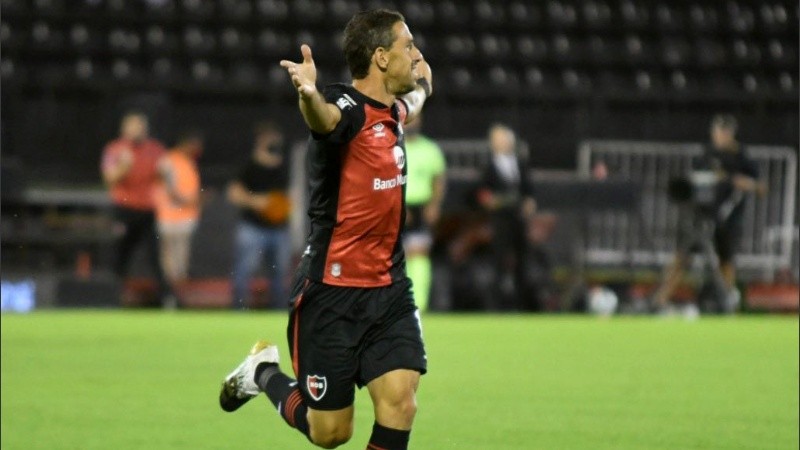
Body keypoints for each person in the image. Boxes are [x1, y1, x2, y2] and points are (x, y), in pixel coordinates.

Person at [219, 9, 432, 450]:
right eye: (407, 46)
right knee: (331, 433)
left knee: (401, 404)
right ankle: (262, 372)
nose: (415, 54)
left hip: (389, 290)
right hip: (331, 295)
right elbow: (324, 118)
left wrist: (423, 80)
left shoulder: (394, 111)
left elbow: (418, 96)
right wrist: (309, 95)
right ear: (380, 58)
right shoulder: (345, 108)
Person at [653, 114, 764, 313]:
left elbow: (761, 187)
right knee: (682, 256)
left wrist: (740, 181)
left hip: (729, 216)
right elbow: (696, 178)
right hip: (702, 215)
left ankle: (728, 302)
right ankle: (659, 301)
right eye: (718, 132)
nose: (720, 136)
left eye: (724, 132)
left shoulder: (742, 156)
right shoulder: (707, 154)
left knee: (725, 260)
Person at [100, 111, 170, 305]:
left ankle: (166, 299)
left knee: (154, 256)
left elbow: (163, 179)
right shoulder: (115, 149)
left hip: (147, 209)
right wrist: (123, 166)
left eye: (140, 126)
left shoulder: (155, 149)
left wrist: (164, 172)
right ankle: (111, 296)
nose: (136, 130)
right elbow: (108, 179)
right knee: (120, 253)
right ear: (124, 129)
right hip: (124, 208)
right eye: (132, 126)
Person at [227, 121, 292, 310]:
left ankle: (279, 312)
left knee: (280, 273)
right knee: (244, 270)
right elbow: (233, 193)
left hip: (279, 227)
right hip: (253, 226)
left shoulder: (283, 165)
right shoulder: (249, 165)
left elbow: (289, 195)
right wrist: (255, 201)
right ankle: (238, 310)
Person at [476, 123, 537, 310]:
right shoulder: (487, 165)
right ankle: (496, 305)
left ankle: (522, 305)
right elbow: (480, 191)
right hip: (499, 219)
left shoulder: (520, 163)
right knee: (498, 261)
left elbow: (528, 188)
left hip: (518, 217)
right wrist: (489, 201)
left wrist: (529, 201)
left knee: (522, 260)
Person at [153, 130, 203, 304]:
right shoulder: (169, 160)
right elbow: (169, 187)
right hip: (169, 218)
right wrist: (188, 200)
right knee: (169, 263)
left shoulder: (187, 162)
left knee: (180, 264)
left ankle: (175, 298)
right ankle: (169, 297)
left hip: (184, 218)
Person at [403, 113, 446, 311]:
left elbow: (438, 179)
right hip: (396, 207)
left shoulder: (430, 149)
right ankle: (397, 302)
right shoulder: (392, 146)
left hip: (420, 207)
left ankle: (419, 302)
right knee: (394, 255)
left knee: (419, 254)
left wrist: (434, 205)